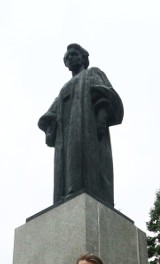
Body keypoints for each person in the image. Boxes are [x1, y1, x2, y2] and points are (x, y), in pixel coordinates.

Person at [38, 44, 124, 207]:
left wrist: (102, 116)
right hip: (66, 137)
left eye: (73, 54)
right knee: (66, 165)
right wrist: (50, 130)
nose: (69, 58)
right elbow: (52, 114)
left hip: (87, 128)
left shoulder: (92, 73)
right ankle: (66, 194)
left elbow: (104, 95)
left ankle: (86, 192)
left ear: (83, 58)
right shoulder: (64, 88)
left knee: (88, 163)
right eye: (67, 57)